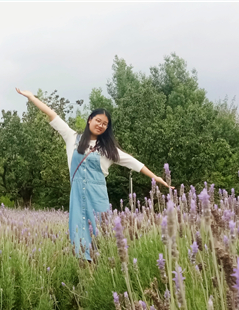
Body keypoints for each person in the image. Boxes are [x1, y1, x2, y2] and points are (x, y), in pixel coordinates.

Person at [16, 88, 173, 263]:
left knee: (101, 232)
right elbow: (52, 114)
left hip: (98, 196)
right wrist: (31, 97)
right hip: (77, 195)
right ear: (90, 120)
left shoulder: (108, 150)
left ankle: (102, 267)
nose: (100, 125)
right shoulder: (72, 138)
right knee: (78, 231)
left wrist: (156, 178)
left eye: (105, 124)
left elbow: (135, 163)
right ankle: (84, 269)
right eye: (98, 120)